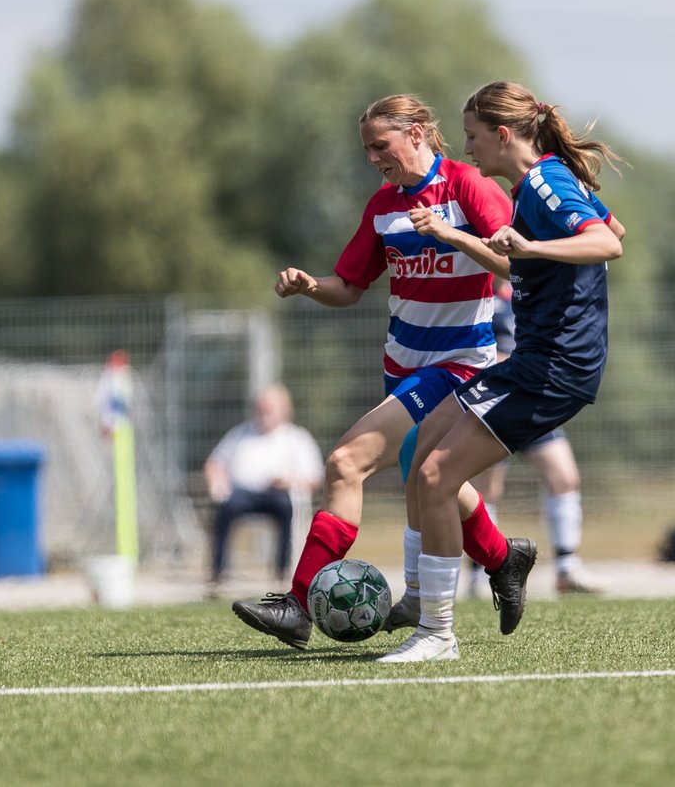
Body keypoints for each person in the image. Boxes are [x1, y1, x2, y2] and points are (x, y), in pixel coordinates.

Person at [230, 94, 538, 650]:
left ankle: (298, 606)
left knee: (345, 462)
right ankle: (503, 556)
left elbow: (517, 261)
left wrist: (450, 235)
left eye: (381, 146)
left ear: (417, 134)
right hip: (402, 368)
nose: (373, 158)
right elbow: (348, 288)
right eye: (368, 149)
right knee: (429, 482)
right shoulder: (383, 207)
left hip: (459, 365)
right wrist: (309, 286)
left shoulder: (467, 185)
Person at [380, 81, 624, 662]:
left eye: (471, 137)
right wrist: (468, 238)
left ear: (503, 134)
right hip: (535, 359)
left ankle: (436, 632)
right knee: (423, 452)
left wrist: (536, 251)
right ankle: (425, 597)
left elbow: (605, 247)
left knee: (437, 475)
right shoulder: (538, 184)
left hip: (554, 367)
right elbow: (615, 228)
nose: (467, 150)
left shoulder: (544, 182)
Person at [467, 277, 604, 596]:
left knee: (564, 478)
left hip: (533, 399)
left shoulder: (531, 289)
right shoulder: (482, 296)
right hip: (495, 401)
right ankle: (479, 575)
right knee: (487, 490)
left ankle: (567, 568)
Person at [204, 384, 323, 594]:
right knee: (225, 507)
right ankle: (218, 572)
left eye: (269, 409)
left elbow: (315, 477)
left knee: (287, 506)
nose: (263, 413)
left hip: (279, 495)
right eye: (260, 408)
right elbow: (215, 463)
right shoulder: (240, 433)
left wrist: (287, 481)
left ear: (284, 410)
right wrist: (217, 483)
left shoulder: (297, 438)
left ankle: (282, 571)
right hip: (243, 494)